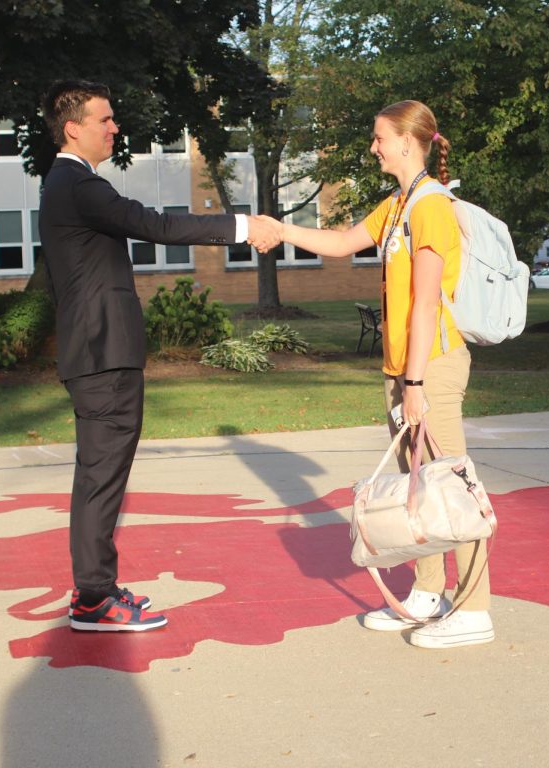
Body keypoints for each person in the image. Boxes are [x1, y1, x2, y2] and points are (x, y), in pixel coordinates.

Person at [39, 79, 281, 633]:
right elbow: (155, 225)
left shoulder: (68, 184)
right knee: (101, 478)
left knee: (102, 476)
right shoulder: (76, 183)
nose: (114, 127)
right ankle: (94, 599)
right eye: (105, 118)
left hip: (100, 353)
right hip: (102, 357)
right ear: (74, 127)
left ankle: (95, 590)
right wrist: (244, 226)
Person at [278, 99, 492, 649]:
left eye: (378, 137)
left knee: (451, 487)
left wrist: (416, 384)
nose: (372, 146)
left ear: (406, 141)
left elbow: (425, 303)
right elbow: (343, 243)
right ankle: (427, 592)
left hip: (433, 367)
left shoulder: (430, 207)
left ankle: (474, 610)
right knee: (416, 487)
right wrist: (280, 228)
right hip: (404, 369)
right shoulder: (397, 205)